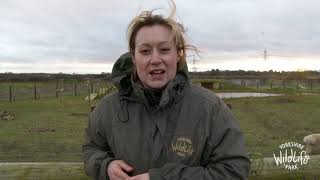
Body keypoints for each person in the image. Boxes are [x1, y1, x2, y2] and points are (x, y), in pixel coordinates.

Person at [83, 2, 251, 180]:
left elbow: (234, 170)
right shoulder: (107, 109)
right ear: (133, 57)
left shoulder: (211, 109)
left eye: (164, 50)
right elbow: (91, 149)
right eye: (145, 51)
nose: (155, 59)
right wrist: (105, 165)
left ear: (178, 54)